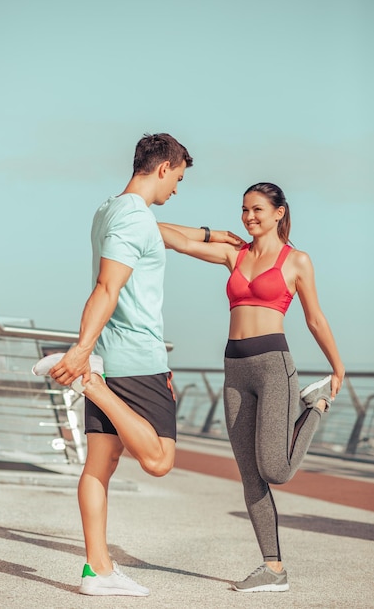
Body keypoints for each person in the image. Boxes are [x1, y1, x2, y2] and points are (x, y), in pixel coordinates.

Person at [32, 133, 242, 597]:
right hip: (135, 360)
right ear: (163, 168)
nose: (177, 190)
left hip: (113, 353)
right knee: (161, 459)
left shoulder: (113, 211)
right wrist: (81, 352)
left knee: (99, 466)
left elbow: (164, 236)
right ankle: (92, 385)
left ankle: (97, 571)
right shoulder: (133, 219)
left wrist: (209, 235)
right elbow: (108, 287)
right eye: (179, 179)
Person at [158, 182, 345, 593]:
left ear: (279, 213)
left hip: (274, 367)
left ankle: (314, 406)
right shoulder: (234, 254)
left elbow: (315, 318)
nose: (248, 217)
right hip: (234, 370)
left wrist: (337, 365)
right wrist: (211, 234)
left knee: (274, 468)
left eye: (258, 209)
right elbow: (165, 237)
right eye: (244, 210)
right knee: (249, 475)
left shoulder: (296, 261)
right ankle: (273, 568)